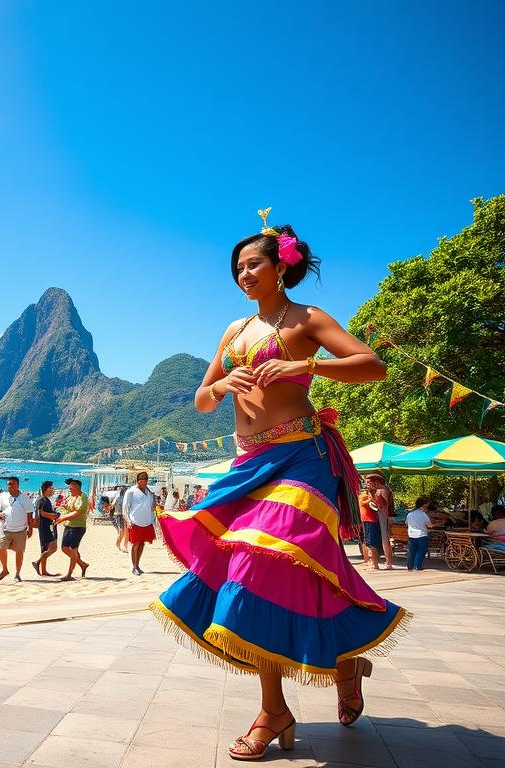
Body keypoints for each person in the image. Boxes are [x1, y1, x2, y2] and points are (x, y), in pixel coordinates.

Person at [154, 213, 407, 760]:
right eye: (238, 267)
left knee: (258, 564)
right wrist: (221, 383)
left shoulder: (307, 319)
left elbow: (371, 365)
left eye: (254, 264)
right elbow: (201, 399)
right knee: (272, 574)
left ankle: (273, 711)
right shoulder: (234, 331)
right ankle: (338, 669)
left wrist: (310, 368)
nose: (244, 273)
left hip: (301, 458)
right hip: (248, 464)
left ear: (280, 266)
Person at [0, 476, 32, 582]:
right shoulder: (3, 496)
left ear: (17, 485)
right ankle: (5, 570)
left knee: (19, 552)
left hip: (20, 530)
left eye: (12, 484)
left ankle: (17, 574)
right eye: (8, 484)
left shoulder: (24, 497)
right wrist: (0, 514)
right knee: (0, 548)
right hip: (5, 528)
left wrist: (30, 528)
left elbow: (29, 514)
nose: (9, 486)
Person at [124, 471, 157, 575]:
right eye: (143, 481)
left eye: (146, 481)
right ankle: (134, 567)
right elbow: (125, 507)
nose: (145, 483)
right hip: (135, 521)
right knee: (136, 544)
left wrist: (153, 518)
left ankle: (138, 565)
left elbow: (152, 507)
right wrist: (128, 520)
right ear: (138, 481)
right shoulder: (131, 491)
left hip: (147, 521)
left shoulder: (149, 492)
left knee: (142, 544)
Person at [58, 478, 89, 581]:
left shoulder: (83, 497)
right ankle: (82, 564)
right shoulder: (70, 497)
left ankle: (69, 574)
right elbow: (65, 509)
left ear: (77, 486)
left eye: (71, 486)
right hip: (68, 525)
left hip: (78, 526)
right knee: (64, 548)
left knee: (73, 549)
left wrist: (64, 517)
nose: (69, 488)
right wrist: (62, 513)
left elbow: (78, 512)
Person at [366, 474, 395, 569]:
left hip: (383, 515)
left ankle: (388, 562)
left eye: (370, 482)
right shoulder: (379, 490)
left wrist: (388, 516)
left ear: (376, 482)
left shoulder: (382, 490)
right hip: (380, 515)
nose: (368, 484)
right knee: (383, 539)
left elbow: (387, 505)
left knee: (385, 539)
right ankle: (386, 561)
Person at [31, 480, 60, 577]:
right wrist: (54, 515)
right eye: (51, 488)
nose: (53, 490)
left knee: (45, 549)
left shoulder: (44, 499)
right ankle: (37, 562)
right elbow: (41, 513)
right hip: (45, 527)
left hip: (44, 526)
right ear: (46, 489)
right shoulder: (42, 500)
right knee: (53, 547)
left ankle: (44, 571)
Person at [404, 497, 434, 571]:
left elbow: (406, 523)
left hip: (411, 535)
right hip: (422, 535)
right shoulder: (423, 515)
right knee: (421, 551)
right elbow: (430, 525)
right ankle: (417, 566)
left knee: (411, 552)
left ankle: (410, 566)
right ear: (423, 506)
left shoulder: (409, 514)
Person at [359, 485, 382, 570]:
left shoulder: (368, 496)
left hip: (372, 520)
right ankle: (373, 563)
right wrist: (371, 499)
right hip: (368, 520)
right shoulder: (364, 496)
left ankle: (371, 562)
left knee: (372, 541)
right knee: (370, 542)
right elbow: (362, 502)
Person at [113, 485, 129, 553]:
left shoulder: (126, 496)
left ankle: (125, 546)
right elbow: (113, 504)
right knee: (122, 532)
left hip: (125, 515)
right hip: (119, 515)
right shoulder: (118, 496)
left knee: (127, 532)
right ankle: (118, 544)